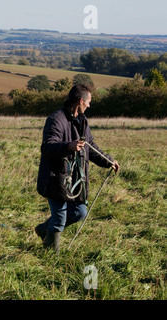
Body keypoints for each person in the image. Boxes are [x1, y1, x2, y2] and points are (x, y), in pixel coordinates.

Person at [36, 84, 120, 252]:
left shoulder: (83, 121)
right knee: (60, 218)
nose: (89, 105)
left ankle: (43, 229)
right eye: (88, 102)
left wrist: (108, 161)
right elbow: (47, 147)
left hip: (76, 179)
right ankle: (51, 255)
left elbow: (90, 146)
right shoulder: (56, 119)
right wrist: (68, 146)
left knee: (80, 213)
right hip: (56, 178)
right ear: (81, 101)